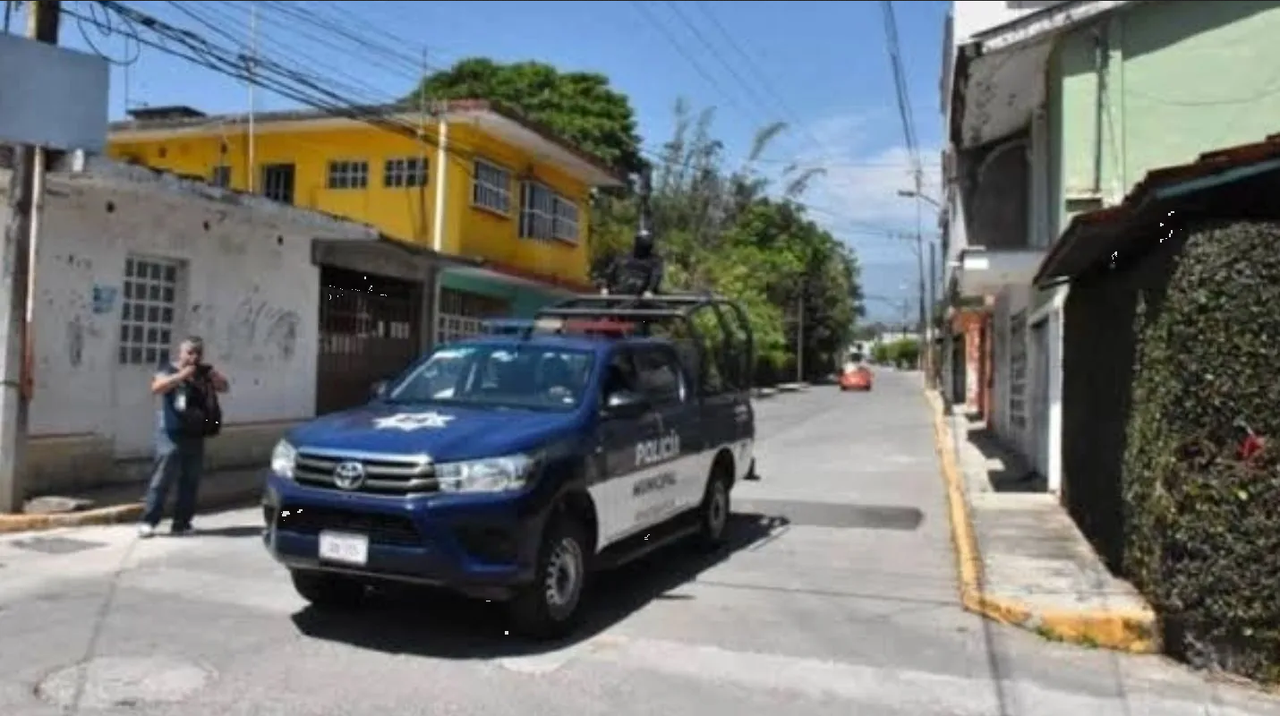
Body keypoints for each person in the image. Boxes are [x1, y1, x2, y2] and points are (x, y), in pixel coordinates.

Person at [138, 337, 229, 538]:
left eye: (198, 352)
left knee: (190, 481)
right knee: (162, 478)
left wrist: (214, 377)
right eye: (190, 352)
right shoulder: (168, 368)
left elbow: (225, 387)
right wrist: (181, 376)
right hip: (171, 433)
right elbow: (156, 388)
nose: (194, 357)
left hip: (196, 433)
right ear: (181, 352)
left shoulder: (204, 371)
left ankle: (182, 523)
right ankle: (149, 521)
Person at [603, 228, 665, 297]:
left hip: (643, 299)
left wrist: (650, 290)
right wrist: (606, 287)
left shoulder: (655, 261)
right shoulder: (623, 258)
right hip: (621, 297)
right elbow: (610, 273)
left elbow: (656, 276)